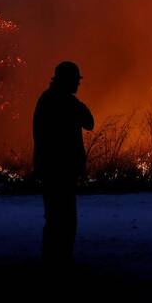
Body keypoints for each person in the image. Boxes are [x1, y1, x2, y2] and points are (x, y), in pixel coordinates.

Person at [32, 60, 94, 264]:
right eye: (76, 80)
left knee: (54, 218)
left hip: (49, 169)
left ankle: (51, 261)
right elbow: (89, 122)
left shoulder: (45, 100)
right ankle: (61, 261)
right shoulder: (67, 103)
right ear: (67, 81)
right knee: (66, 219)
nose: (78, 84)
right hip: (63, 170)